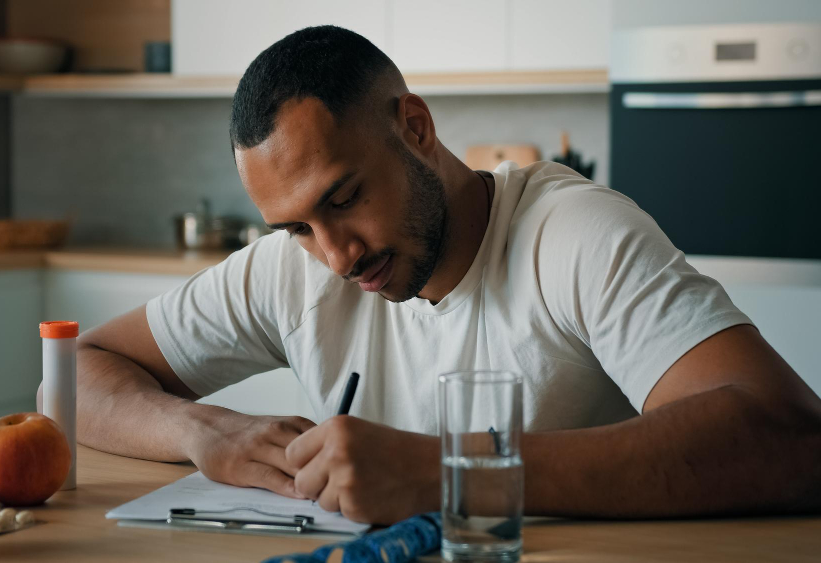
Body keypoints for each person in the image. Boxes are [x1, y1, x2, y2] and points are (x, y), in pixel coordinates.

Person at [43, 26, 821, 525]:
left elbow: (791, 436)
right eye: (298, 228)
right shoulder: (296, 264)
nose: (337, 255)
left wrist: (447, 470)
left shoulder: (575, 234)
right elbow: (69, 378)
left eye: (345, 198)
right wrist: (202, 429)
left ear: (415, 127)